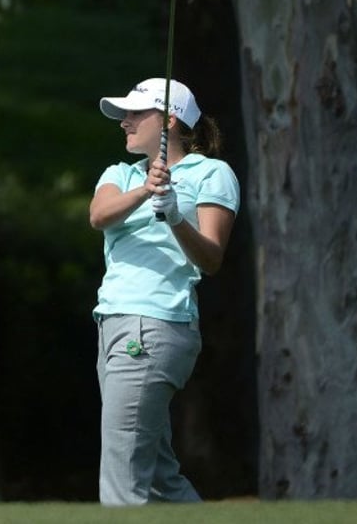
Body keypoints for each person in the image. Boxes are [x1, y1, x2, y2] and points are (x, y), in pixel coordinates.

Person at [88, 78, 240, 505]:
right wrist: (146, 190)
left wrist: (174, 214)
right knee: (156, 473)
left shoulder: (213, 173)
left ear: (169, 120)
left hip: (155, 323)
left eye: (135, 113)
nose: (124, 123)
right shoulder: (120, 174)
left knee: (122, 472)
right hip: (112, 324)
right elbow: (99, 216)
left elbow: (210, 259)